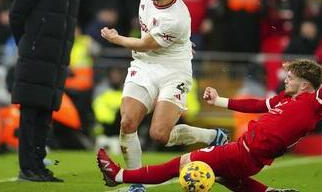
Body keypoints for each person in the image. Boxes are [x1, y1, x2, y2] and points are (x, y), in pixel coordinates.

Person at [97, 59, 322, 192]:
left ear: (305, 85)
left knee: (182, 163)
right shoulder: (285, 98)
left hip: (243, 152)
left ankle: (118, 175)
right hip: (247, 154)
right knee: (224, 176)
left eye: (290, 78)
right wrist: (219, 101)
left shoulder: (314, 103)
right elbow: (256, 105)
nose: (285, 80)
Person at [100, 0, 227, 192]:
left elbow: (145, 43)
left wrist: (115, 38)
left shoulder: (175, 18)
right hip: (145, 65)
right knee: (127, 121)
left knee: (159, 134)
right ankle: (136, 182)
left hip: (174, 71)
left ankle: (211, 136)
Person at [9, 0, 81, 182]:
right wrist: (28, 45)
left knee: (45, 117)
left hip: (57, 63)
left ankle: (38, 166)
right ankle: (27, 168)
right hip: (34, 59)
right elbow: (16, 15)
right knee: (30, 115)